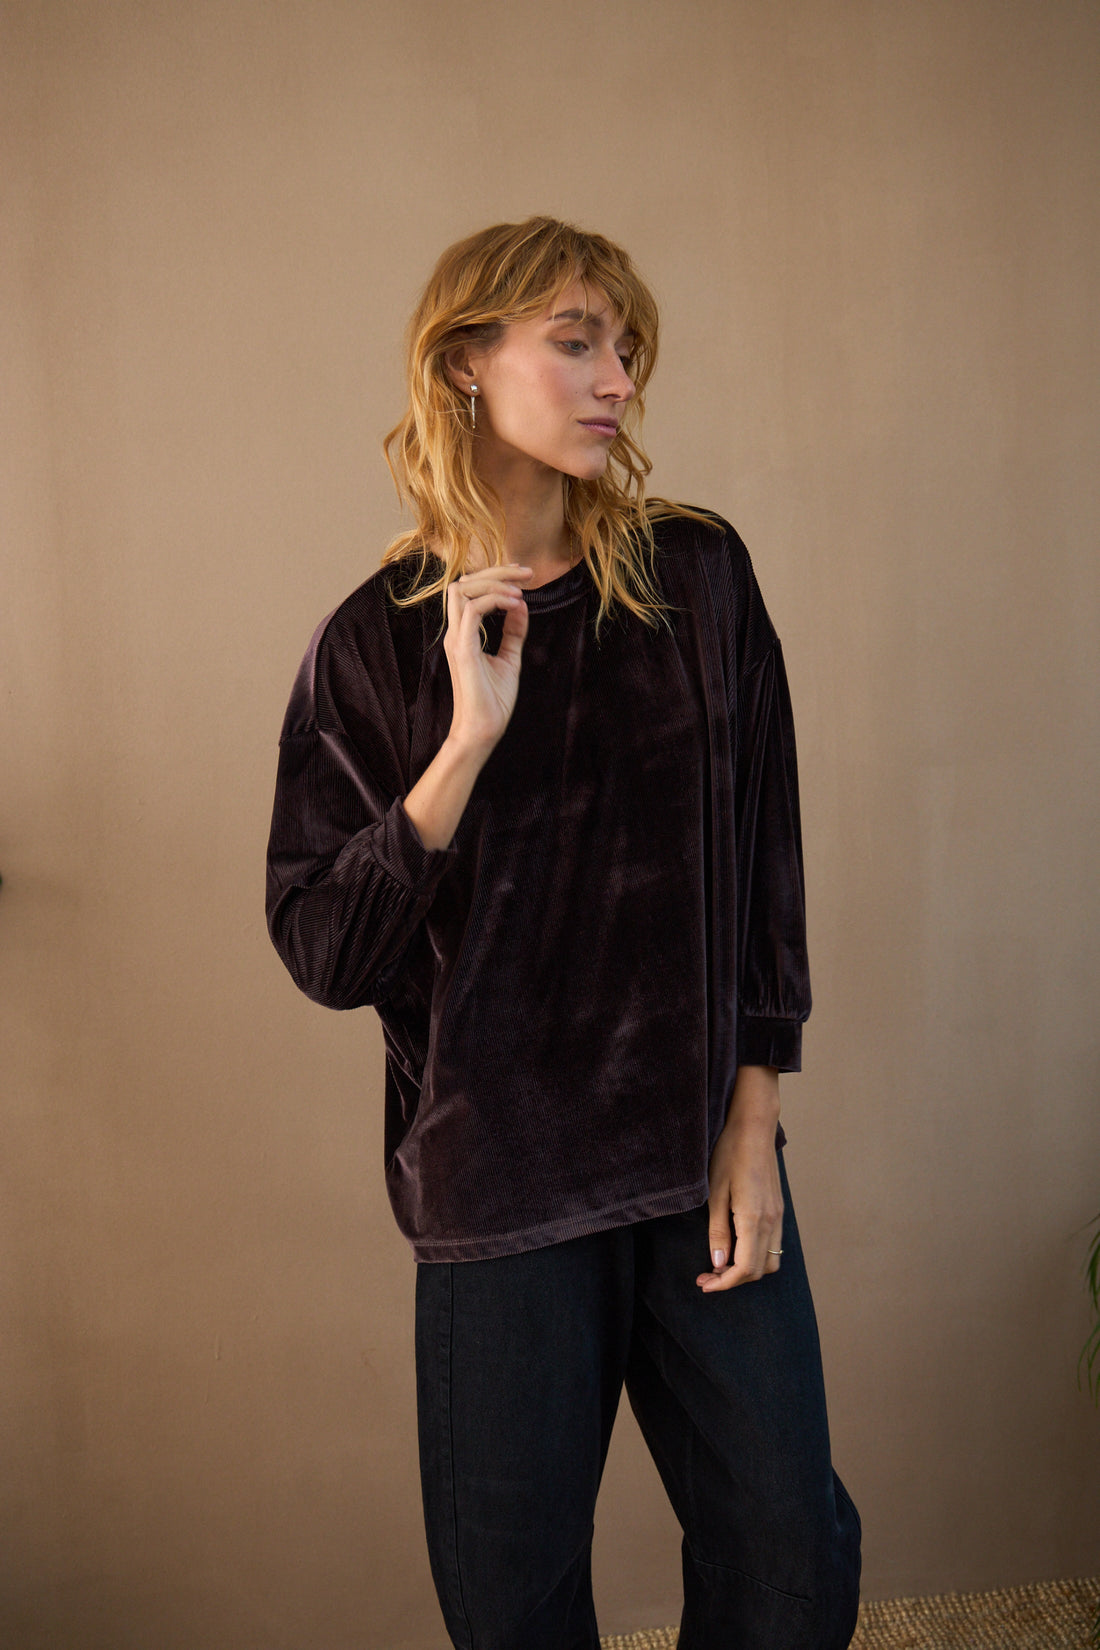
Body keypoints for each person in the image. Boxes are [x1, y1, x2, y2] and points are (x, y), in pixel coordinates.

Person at [266, 215, 861, 1650]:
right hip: (499, 1194)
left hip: (695, 1165)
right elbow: (323, 950)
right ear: (468, 360)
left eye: (625, 350)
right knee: (514, 1607)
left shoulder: (698, 581)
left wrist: (751, 1114)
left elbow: (764, 858)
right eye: (576, 341)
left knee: (788, 1554)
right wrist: (465, 744)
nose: (616, 382)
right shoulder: (375, 644)